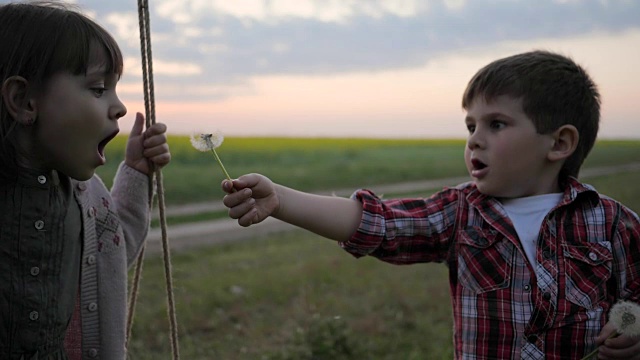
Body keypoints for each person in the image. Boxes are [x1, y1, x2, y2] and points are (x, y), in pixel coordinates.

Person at [221, 50, 640, 359]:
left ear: (560, 143)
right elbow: (375, 223)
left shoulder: (613, 224)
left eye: (496, 124)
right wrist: (281, 200)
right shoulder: (461, 213)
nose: (474, 138)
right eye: (470, 125)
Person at [0, 2, 171, 359]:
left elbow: (111, 251)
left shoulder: (83, 195)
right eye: (97, 89)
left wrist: (137, 173)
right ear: (23, 100)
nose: (120, 107)